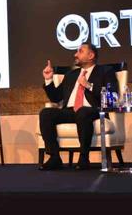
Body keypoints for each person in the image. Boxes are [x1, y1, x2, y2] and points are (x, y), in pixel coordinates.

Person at [38, 43, 118, 171]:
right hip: (70, 111)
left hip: (94, 110)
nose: (75, 54)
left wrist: (89, 85)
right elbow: (56, 98)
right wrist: (49, 80)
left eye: (80, 51)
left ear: (91, 55)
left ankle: (84, 158)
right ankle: (54, 157)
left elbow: (112, 96)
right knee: (46, 113)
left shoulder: (105, 71)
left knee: (82, 112)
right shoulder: (71, 74)